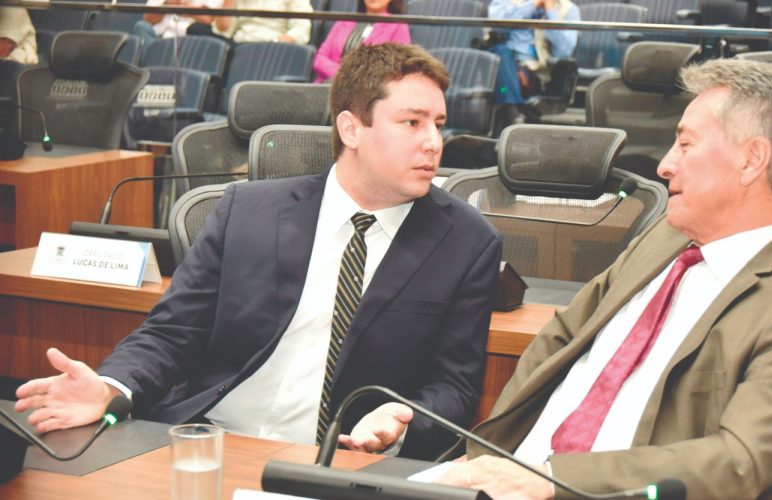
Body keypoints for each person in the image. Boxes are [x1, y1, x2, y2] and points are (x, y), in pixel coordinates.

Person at [14, 43, 503, 460]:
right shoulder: (248, 210)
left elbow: (455, 388)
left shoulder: (466, 241)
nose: (434, 142)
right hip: (209, 441)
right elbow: (173, 331)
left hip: (333, 461)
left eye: (438, 123)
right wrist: (111, 387)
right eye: (412, 123)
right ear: (351, 129)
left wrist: (405, 419)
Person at [435, 58, 772, 499]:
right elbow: (562, 337)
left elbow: (738, 461)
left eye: (685, 145)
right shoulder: (663, 239)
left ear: (752, 160)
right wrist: (493, 456)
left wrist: (550, 480)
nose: (663, 165)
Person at [486, 0, 580, 129]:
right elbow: (497, 27)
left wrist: (550, 12)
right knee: (500, 55)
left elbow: (564, 50)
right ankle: (512, 113)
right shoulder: (504, 2)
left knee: (504, 85)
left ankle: (511, 112)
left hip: (533, 74)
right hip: (500, 70)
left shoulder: (569, 9)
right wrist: (532, 5)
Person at [313, 0, 410, 83]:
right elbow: (319, 58)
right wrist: (342, 75)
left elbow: (397, 67)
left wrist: (356, 79)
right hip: (330, 84)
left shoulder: (398, 26)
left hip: (369, 93)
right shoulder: (344, 21)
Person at [203, 0, 312, 44]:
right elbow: (224, 30)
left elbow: (301, 29)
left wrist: (275, 43)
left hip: (272, 46)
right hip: (239, 46)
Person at [134, 0, 223, 50]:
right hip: (158, 38)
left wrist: (184, 8)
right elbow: (148, 20)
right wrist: (169, 4)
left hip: (190, 38)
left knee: (197, 30)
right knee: (141, 27)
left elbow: (207, 19)